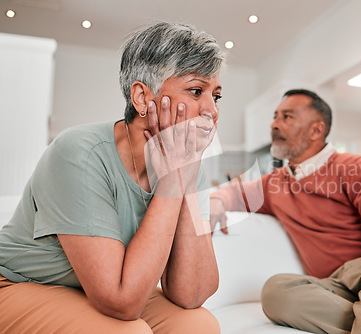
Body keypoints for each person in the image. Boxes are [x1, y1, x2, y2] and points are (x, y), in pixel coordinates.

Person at [0, 22, 225, 333]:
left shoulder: (187, 162)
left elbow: (193, 293)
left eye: (217, 96)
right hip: (18, 282)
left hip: (99, 287)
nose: (211, 110)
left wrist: (184, 178)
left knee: (199, 325)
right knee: (127, 331)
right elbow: (121, 301)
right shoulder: (79, 151)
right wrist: (173, 180)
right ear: (143, 98)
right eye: (197, 91)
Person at [210, 89, 361, 334]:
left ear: (316, 130)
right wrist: (217, 199)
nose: (274, 124)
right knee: (276, 292)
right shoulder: (273, 184)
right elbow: (234, 192)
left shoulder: (359, 168)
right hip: (335, 285)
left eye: (287, 117)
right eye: (275, 116)